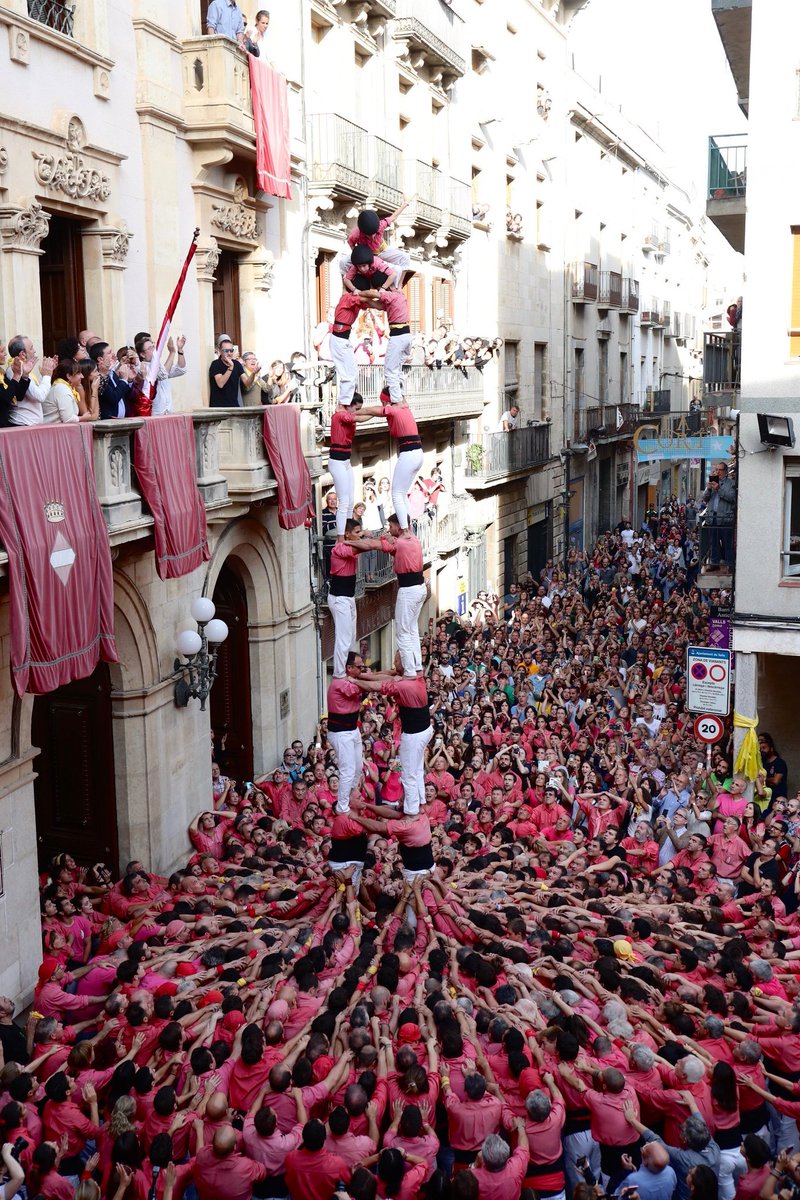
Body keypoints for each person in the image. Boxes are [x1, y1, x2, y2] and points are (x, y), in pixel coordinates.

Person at [380, 514, 426, 677]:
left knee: (402, 632)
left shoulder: (400, 543)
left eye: (391, 526)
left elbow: (378, 546)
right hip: (419, 587)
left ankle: (409, 670)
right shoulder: (412, 538)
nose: (389, 529)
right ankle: (416, 665)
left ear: (399, 526)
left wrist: (379, 540)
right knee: (412, 629)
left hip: (409, 590)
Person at [326, 651, 366, 816]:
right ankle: (342, 807)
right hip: (341, 732)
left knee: (358, 767)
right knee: (348, 769)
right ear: (349, 668)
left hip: (352, 729)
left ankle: (349, 794)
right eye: (359, 667)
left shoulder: (353, 679)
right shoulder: (340, 683)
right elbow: (363, 687)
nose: (362, 669)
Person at [340, 201, 412, 286]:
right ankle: (344, 288)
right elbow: (351, 243)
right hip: (367, 255)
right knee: (343, 262)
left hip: (382, 251)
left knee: (405, 257)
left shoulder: (381, 225)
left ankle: (399, 286)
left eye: (374, 234)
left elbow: (393, 217)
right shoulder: (356, 233)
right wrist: (358, 256)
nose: (372, 237)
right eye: (369, 235)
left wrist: (404, 204)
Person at [5, 334, 54, 427]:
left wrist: (44, 375)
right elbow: (39, 396)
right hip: (22, 424)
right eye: (31, 348)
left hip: (27, 424)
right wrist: (47, 376)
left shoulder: (22, 367)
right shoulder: (16, 370)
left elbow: (34, 390)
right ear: (22, 354)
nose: (34, 351)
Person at [208, 335, 258, 407]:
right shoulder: (215, 364)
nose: (229, 353)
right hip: (219, 407)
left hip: (234, 406)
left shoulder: (237, 364)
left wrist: (253, 373)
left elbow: (247, 383)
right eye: (226, 351)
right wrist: (231, 367)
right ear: (220, 351)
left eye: (231, 350)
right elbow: (220, 384)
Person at [89, 342, 132, 419]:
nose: (114, 354)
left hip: (122, 421)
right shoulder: (97, 377)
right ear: (100, 359)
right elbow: (113, 397)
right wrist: (124, 380)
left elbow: (125, 394)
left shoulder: (112, 372)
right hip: (109, 423)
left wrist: (130, 381)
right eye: (109, 353)